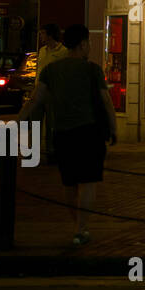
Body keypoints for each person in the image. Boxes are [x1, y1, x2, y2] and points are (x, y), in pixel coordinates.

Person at [19, 24, 117, 247]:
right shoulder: (92, 70)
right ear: (83, 44)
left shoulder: (51, 70)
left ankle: (78, 228)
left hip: (62, 132)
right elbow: (106, 101)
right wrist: (113, 127)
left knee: (70, 183)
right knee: (89, 182)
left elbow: (35, 99)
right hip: (89, 131)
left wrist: (16, 123)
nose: (90, 46)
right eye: (89, 43)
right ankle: (81, 228)